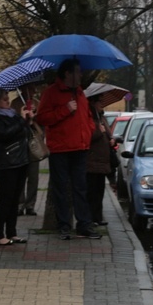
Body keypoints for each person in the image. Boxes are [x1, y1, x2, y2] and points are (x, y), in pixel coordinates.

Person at [36, 59, 100, 240]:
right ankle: (64, 225)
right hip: (60, 149)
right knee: (61, 189)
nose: (80, 75)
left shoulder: (80, 93)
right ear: (67, 73)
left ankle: (84, 225)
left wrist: (88, 131)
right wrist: (64, 110)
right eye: (78, 72)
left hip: (80, 147)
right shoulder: (51, 93)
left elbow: (86, 116)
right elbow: (42, 118)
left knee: (80, 188)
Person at [0, 88, 32, 246]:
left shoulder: (12, 115)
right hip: (5, 164)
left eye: (7, 98)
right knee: (5, 199)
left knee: (14, 200)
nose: (7, 101)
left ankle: (12, 232)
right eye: (4, 99)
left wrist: (25, 120)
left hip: (20, 161)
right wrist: (22, 121)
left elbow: (22, 133)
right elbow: (5, 134)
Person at [10, 83, 41, 216]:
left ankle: (30, 205)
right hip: (20, 142)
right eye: (30, 88)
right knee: (21, 175)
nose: (33, 91)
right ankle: (19, 203)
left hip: (34, 142)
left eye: (33, 88)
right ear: (23, 89)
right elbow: (12, 122)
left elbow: (42, 123)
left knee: (33, 176)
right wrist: (22, 116)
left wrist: (34, 117)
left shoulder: (37, 103)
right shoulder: (15, 104)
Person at [86, 94, 114, 226]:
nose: (102, 104)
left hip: (102, 162)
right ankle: (91, 218)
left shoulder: (101, 117)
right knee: (92, 192)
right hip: (92, 161)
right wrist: (99, 131)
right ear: (93, 103)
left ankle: (98, 217)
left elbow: (106, 134)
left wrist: (111, 139)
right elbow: (88, 137)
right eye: (99, 101)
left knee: (99, 191)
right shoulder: (90, 118)